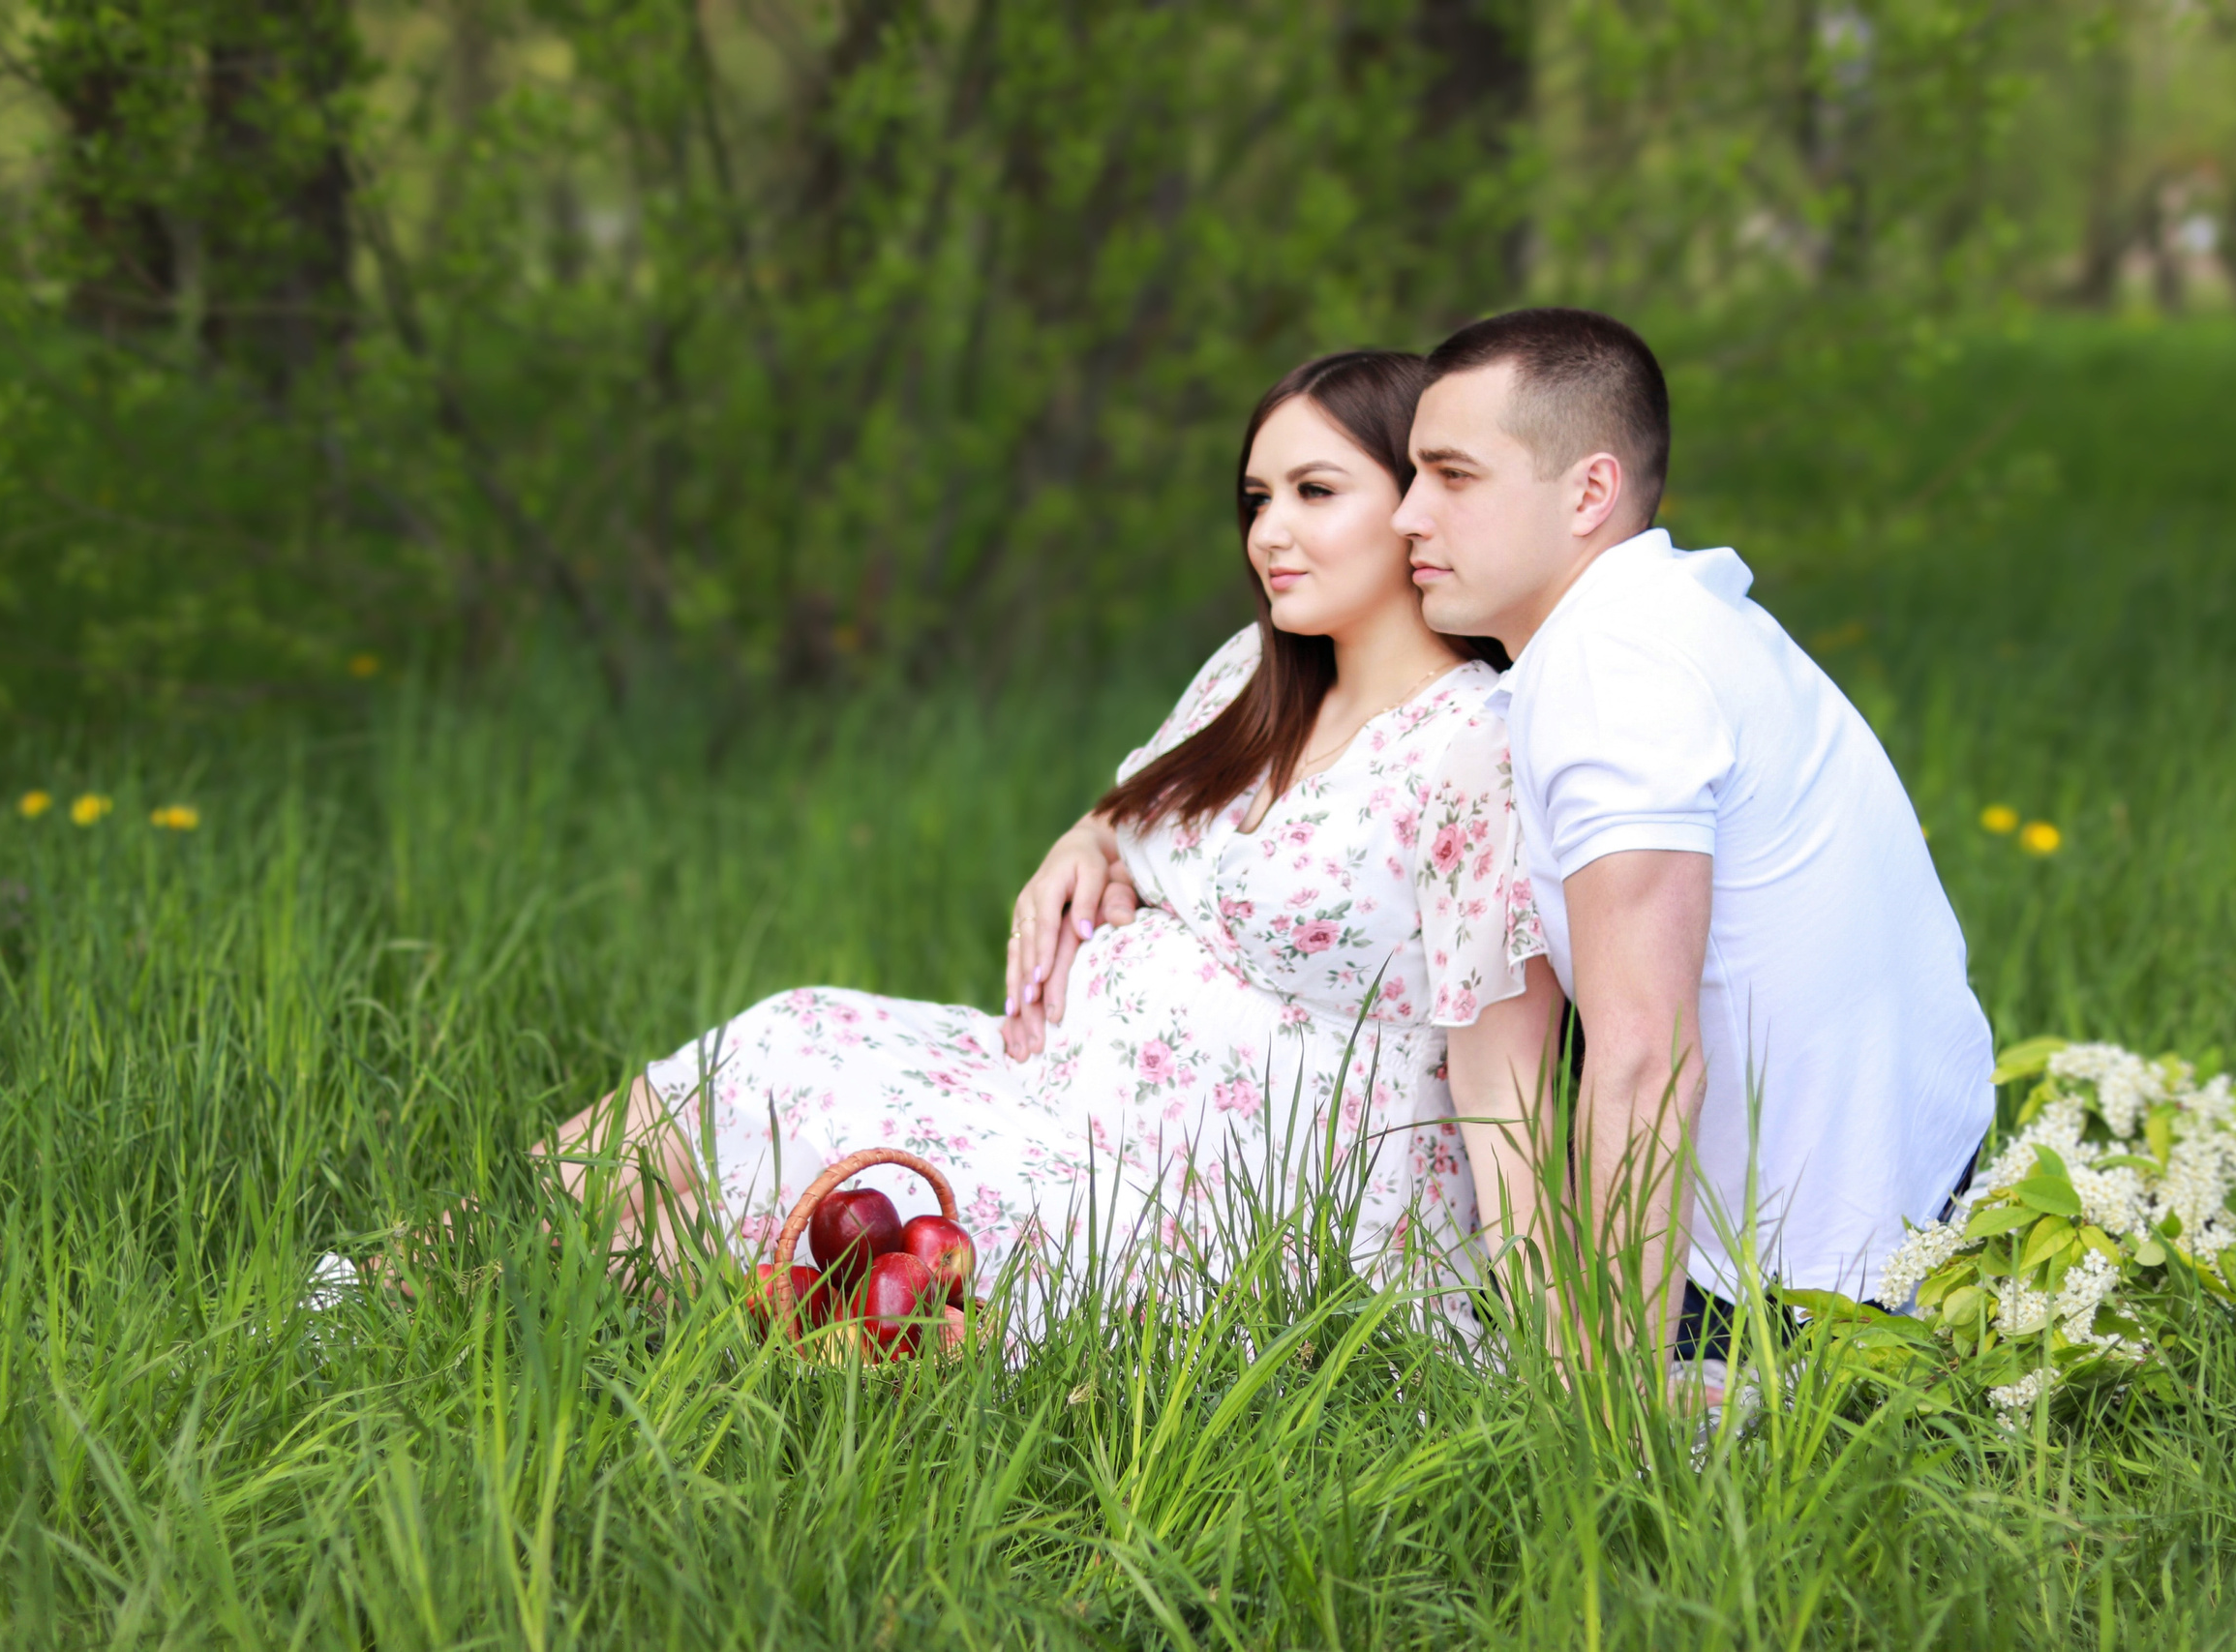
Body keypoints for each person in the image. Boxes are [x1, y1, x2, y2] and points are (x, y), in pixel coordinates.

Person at [546, 349, 1563, 1309]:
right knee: (787, 1036)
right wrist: (1083, 843)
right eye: (1258, 499)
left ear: (1420, 505)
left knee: (796, 1196)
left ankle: (522, 1287)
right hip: (1062, 1095)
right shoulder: (1255, 672)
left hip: (1220, 1201)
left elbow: (1503, 1075)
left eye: (1315, 492)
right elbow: (1139, 813)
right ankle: (487, 1243)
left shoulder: (1471, 747)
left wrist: (1556, 1326)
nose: (1268, 533)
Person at [1391, 308, 1993, 1342]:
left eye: (1453, 476)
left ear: (1589, 492)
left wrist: (1610, 1376)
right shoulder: (1677, 612)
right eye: (1412, 475)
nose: (1408, 514)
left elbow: (1643, 1056)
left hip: (1801, 1284)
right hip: (1928, 1192)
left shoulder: (1609, 670)